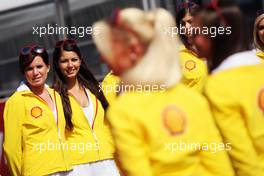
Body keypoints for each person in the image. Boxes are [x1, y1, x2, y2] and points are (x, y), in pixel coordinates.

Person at [92, 7, 234, 176]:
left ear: (132, 52)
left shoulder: (124, 110)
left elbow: (138, 171)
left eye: (108, 50)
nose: (102, 58)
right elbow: (220, 166)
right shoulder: (192, 99)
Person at [191, 1, 264, 175]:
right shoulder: (260, 68)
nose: (191, 38)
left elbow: (241, 152)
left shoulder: (217, 86)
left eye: (196, 32)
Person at [52, 39, 120, 175]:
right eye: (64, 61)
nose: (70, 65)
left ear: (80, 60)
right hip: (77, 166)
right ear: (57, 64)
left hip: (107, 160)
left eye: (74, 59)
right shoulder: (54, 96)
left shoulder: (95, 89)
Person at [3, 44, 72, 176]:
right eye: (29, 69)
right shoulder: (16, 101)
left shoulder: (56, 95)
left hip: (66, 170)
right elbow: (11, 150)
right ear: (24, 73)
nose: (35, 73)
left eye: (39, 67)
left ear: (48, 67)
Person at [176, 1, 208, 92]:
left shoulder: (216, 49)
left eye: (190, 21)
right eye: (183, 24)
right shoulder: (176, 56)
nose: (186, 27)